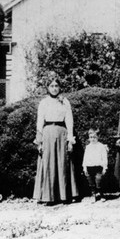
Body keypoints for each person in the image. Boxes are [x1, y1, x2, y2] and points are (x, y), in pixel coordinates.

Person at [33, 75, 79, 204]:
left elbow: (69, 121)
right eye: (51, 86)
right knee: (48, 164)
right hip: (47, 134)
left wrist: (70, 140)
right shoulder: (44, 102)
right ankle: (48, 196)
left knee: (62, 163)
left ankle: (64, 195)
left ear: (60, 88)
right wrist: (39, 141)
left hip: (62, 133)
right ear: (48, 88)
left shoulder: (64, 101)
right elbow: (39, 122)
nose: (54, 89)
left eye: (56, 86)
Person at [83, 128, 108, 202]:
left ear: (97, 137)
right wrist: (84, 168)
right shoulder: (88, 147)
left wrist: (104, 167)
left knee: (98, 181)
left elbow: (104, 158)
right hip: (89, 167)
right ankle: (93, 195)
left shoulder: (101, 146)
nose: (92, 139)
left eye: (94, 137)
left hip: (98, 167)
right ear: (89, 138)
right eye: (91, 137)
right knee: (91, 183)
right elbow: (85, 158)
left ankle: (101, 194)